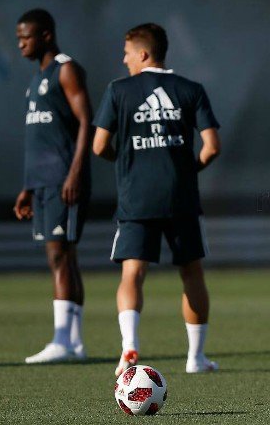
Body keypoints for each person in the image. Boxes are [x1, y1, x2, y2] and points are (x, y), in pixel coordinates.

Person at [92, 23, 221, 376]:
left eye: (127, 52)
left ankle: (129, 347)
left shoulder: (118, 91)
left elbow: (99, 145)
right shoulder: (191, 89)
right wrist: (187, 169)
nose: (124, 59)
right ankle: (196, 358)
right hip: (180, 197)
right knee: (191, 273)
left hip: (137, 198)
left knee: (132, 272)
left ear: (144, 54)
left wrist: (125, 160)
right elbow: (212, 147)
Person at [13, 8, 92, 364]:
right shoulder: (36, 79)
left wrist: (75, 173)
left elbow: (86, 121)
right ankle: (73, 342)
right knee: (61, 257)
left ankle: (63, 340)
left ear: (45, 35)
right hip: (42, 183)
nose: (20, 44)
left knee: (60, 255)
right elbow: (39, 137)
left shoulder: (66, 69)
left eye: (25, 37)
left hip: (64, 180)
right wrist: (28, 186)